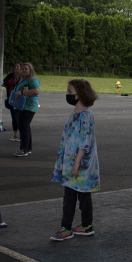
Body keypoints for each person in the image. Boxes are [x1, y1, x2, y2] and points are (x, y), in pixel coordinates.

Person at [50, 79, 101, 241]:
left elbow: (85, 142)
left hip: (81, 165)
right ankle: (68, 226)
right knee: (71, 195)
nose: (67, 94)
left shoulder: (86, 116)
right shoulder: (75, 114)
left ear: (80, 94)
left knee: (83, 196)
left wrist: (77, 162)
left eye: (70, 92)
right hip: (70, 162)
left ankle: (83, 225)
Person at [12, 62, 40, 156]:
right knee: (25, 127)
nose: (24, 70)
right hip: (22, 106)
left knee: (23, 127)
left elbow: (36, 91)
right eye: (23, 69)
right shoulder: (22, 79)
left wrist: (22, 92)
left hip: (28, 107)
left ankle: (23, 149)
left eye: (26, 69)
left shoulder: (32, 80)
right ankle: (27, 148)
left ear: (30, 70)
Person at [2, 62, 22, 141]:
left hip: (20, 98)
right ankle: (15, 134)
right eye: (15, 66)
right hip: (11, 98)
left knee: (19, 117)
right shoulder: (10, 76)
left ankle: (21, 134)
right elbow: (5, 81)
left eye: (17, 66)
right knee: (13, 117)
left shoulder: (23, 76)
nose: (16, 68)